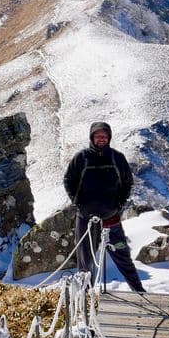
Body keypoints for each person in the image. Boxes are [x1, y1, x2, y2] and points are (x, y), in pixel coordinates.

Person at [63, 121, 145, 293]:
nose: (101, 139)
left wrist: (119, 204)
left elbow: (127, 182)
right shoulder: (81, 158)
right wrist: (77, 202)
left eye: (104, 136)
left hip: (111, 217)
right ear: (92, 137)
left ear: (109, 137)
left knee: (123, 256)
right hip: (85, 218)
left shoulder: (117, 158)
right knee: (85, 260)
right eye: (98, 136)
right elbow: (69, 180)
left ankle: (139, 292)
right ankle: (86, 297)